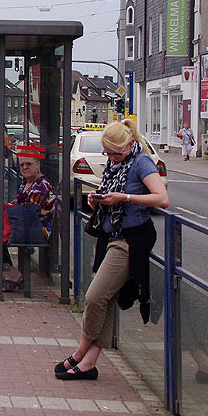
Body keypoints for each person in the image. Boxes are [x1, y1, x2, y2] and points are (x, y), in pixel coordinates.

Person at [55, 118, 168, 381]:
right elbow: (111, 192)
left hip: (130, 239)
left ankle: (81, 350)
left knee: (95, 297)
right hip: (111, 234)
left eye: (114, 154)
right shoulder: (116, 164)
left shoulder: (141, 162)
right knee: (106, 299)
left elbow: (162, 199)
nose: (111, 159)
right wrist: (100, 204)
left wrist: (124, 198)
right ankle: (89, 362)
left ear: (128, 146)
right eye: (107, 155)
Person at [0, 153, 57, 291]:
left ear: (38, 165)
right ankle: (7, 273)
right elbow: (15, 204)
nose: (25, 167)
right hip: (22, 224)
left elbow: (26, 210)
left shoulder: (41, 187)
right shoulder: (26, 183)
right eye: (22, 165)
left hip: (36, 229)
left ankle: (11, 274)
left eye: (29, 164)